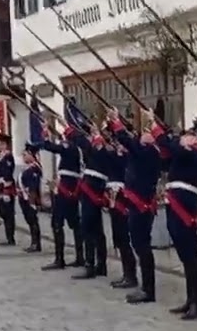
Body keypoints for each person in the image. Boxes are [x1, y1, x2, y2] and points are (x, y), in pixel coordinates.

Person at [151, 116, 197, 320]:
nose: (184, 136)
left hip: (185, 204)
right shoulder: (184, 153)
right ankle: (190, 299)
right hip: (174, 202)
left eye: (189, 134)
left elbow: (173, 148)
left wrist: (159, 130)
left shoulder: (196, 154)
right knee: (185, 256)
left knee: (191, 256)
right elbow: (165, 159)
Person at [107, 108, 162, 305]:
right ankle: (145, 287)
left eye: (148, 130)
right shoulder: (141, 152)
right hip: (136, 203)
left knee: (142, 246)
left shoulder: (149, 152)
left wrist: (116, 120)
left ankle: (148, 290)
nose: (143, 133)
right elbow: (127, 143)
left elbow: (127, 141)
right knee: (138, 245)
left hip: (142, 206)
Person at [38, 122, 84, 271]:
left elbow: (52, 147)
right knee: (75, 223)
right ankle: (80, 257)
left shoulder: (69, 147)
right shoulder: (78, 148)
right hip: (72, 185)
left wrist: (45, 136)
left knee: (57, 222)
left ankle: (60, 259)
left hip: (66, 186)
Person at [69, 125, 111, 280]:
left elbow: (83, 143)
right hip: (91, 191)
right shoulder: (97, 151)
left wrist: (70, 129)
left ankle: (90, 265)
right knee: (96, 229)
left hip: (93, 191)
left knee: (88, 229)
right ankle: (100, 264)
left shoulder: (102, 151)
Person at [103, 130, 134, 290]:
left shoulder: (129, 158)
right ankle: (126, 274)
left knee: (124, 238)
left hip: (123, 198)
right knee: (119, 238)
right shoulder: (116, 156)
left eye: (119, 143)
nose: (117, 145)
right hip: (114, 198)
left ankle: (131, 276)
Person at [18, 143, 44, 253]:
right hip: (24, 197)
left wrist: (32, 201)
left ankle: (36, 243)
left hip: (29, 198)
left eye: (26, 154)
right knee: (29, 220)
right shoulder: (27, 168)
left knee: (33, 220)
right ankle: (34, 242)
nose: (23, 156)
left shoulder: (34, 169)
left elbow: (33, 187)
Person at [0, 140, 17, 246]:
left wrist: (5, 190)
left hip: (5, 189)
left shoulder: (8, 157)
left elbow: (7, 174)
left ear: (4, 145)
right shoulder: (1, 157)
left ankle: (10, 238)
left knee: (8, 214)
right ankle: (8, 236)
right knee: (3, 213)